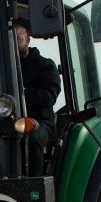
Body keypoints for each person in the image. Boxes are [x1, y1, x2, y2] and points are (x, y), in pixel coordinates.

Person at [13, 17, 60, 176]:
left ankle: (34, 187)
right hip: (8, 121)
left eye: (17, 38)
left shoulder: (45, 65)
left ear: (28, 40)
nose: (13, 42)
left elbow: (49, 97)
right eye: (9, 39)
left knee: (31, 139)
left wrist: (22, 92)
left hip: (41, 121)